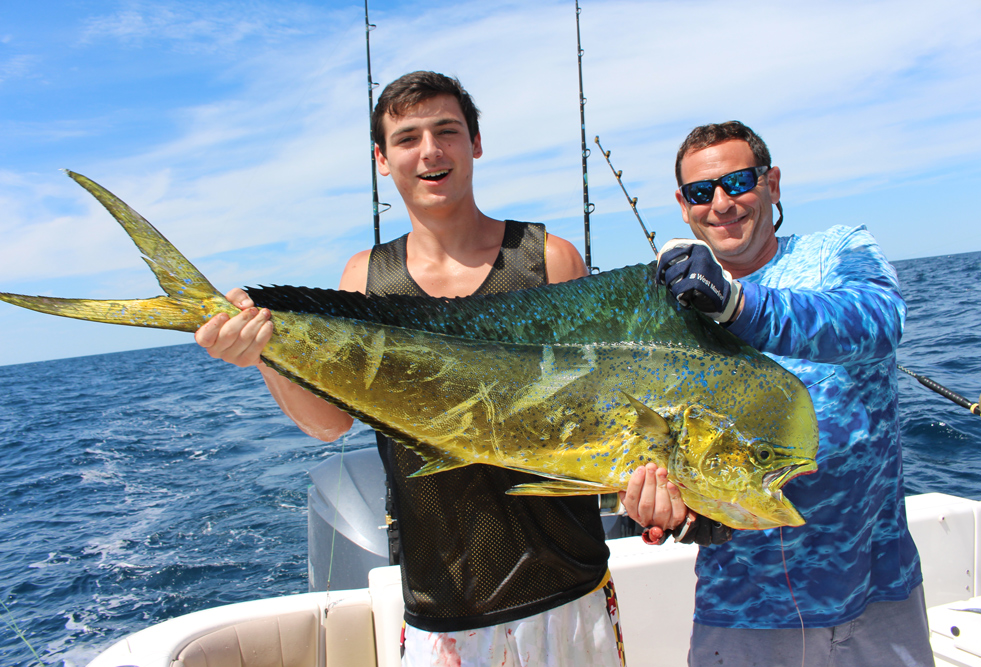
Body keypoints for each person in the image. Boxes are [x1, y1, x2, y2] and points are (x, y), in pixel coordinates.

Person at [194, 71, 647, 667]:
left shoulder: (549, 260)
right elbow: (330, 424)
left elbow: (608, 410)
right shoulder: (365, 279)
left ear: (475, 143)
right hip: (442, 610)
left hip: (570, 591)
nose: (430, 151)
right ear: (382, 160)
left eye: (447, 131)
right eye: (407, 138)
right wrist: (263, 354)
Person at [621, 121, 933, 666]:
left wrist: (738, 305)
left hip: (879, 595)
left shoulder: (839, 249)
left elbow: (879, 319)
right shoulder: (666, 316)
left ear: (772, 183)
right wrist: (667, 515)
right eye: (701, 191)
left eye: (739, 182)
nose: (722, 203)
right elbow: (686, 482)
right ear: (683, 205)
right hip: (741, 612)